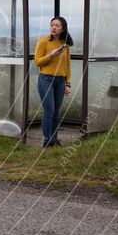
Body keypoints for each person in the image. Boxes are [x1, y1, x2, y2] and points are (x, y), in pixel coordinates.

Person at [34, 16, 73, 147]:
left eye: (57, 25)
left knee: (56, 112)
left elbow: (67, 65)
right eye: (52, 25)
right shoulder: (43, 41)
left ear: (63, 29)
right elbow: (37, 62)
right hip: (46, 79)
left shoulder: (65, 45)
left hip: (60, 81)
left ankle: (54, 139)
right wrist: (52, 54)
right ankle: (47, 140)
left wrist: (68, 84)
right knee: (49, 111)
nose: (54, 27)